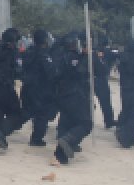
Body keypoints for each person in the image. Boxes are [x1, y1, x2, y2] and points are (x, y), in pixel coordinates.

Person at [52, 32, 93, 165]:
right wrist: (86, 57)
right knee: (86, 124)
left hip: (61, 94)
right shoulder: (73, 57)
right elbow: (79, 71)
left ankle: (60, 156)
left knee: (66, 123)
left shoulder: (58, 55)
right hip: (75, 94)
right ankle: (68, 140)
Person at [19, 29, 58, 146]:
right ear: (45, 40)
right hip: (40, 89)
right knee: (42, 115)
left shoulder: (28, 52)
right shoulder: (43, 55)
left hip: (27, 87)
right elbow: (51, 72)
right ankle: (36, 139)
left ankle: (3, 128)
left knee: (27, 112)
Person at [93, 35, 117, 129]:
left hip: (89, 78)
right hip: (101, 79)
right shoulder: (108, 52)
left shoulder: (93, 51)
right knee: (105, 102)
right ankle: (109, 121)